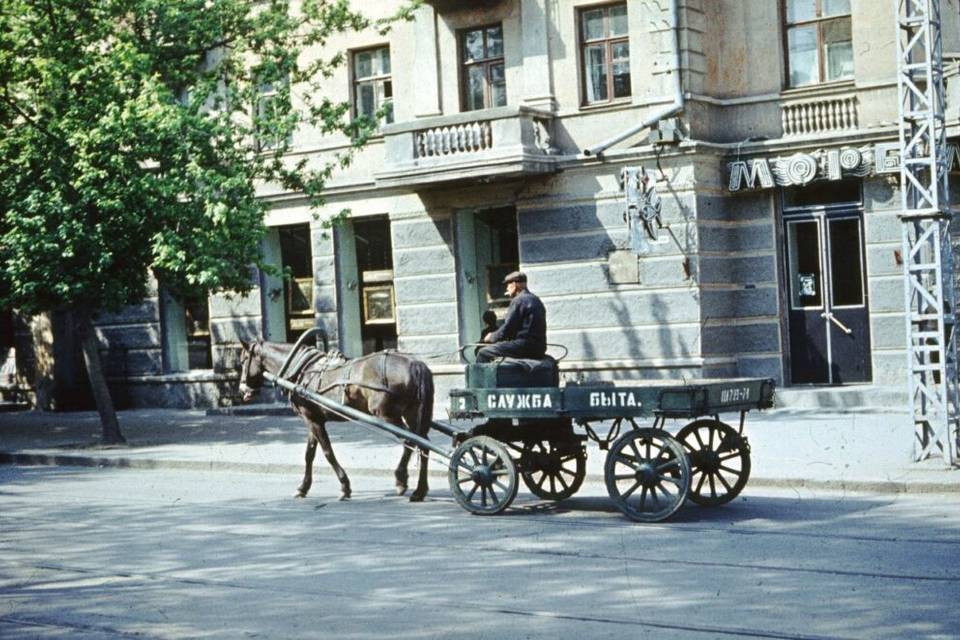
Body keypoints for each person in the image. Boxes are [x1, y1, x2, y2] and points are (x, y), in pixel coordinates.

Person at [476, 271, 546, 363]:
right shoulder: (536, 299)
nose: (507, 288)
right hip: (539, 348)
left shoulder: (518, 300)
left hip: (524, 346)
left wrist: (491, 337)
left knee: (483, 352)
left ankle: (481, 378)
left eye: (507, 285)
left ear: (514, 284)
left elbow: (508, 328)